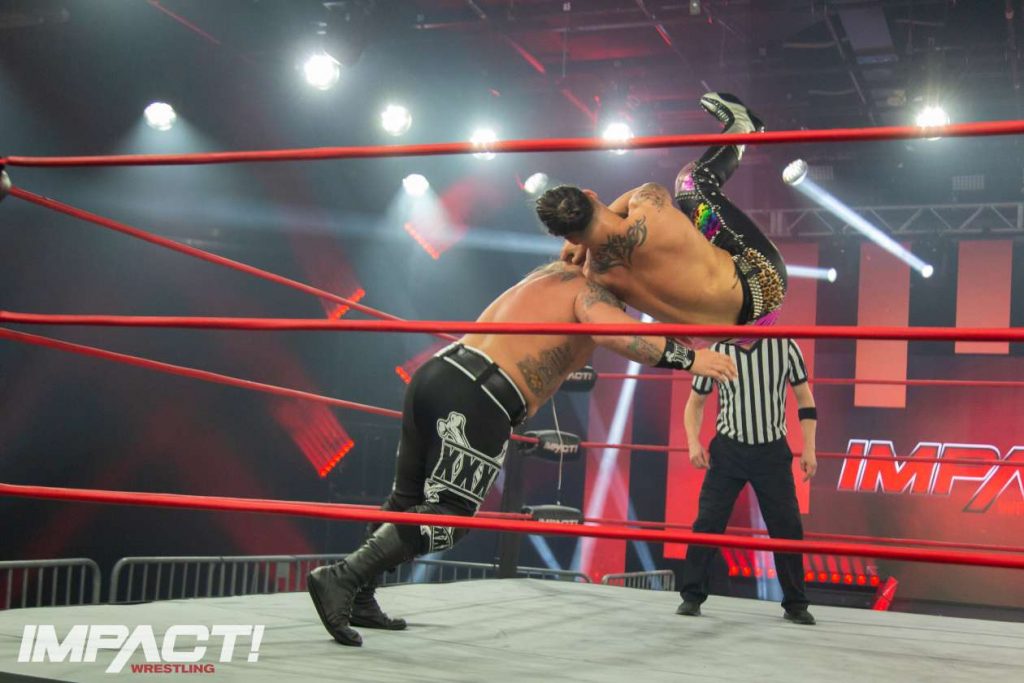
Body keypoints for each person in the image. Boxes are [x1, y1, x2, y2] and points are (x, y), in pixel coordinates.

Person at [308, 261, 738, 647]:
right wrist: (691, 360)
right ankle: (342, 578)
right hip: (481, 398)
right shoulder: (592, 296)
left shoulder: (555, 273)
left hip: (439, 372)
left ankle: (361, 596)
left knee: (406, 501)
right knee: (451, 514)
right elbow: (618, 334)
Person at [535, 93, 787, 331]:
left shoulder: (595, 278)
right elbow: (647, 189)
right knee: (691, 182)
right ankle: (742, 124)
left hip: (739, 333)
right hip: (764, 284)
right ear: (590, 194)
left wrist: (584, 244)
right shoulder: (649, 211)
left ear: (569, 236)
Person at [677, 337, 817, 625]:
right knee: (708, 521)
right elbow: (695, 403)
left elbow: (805, 399)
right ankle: (691, 596)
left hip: (771, 450)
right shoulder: (717, 350)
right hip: (729, 448)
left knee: (787, 526)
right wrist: (693, 442)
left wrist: (810, 449)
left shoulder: (785, 346)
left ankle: (796, 603)